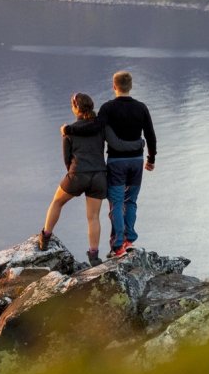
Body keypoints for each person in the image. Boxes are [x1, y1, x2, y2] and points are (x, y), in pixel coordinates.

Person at [39, 92, 143, 266]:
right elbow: (117, 144)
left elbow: (67, 159)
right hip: (99, 177)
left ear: (75, 108)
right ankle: (94, 257)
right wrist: (139, 144)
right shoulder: (100, 127)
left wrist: (75, 177)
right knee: (93, 217)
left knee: (57, 202)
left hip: (77, 175)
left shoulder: (68, 130)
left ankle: (45, 238)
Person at [61, 71, 157, 257]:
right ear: (131, 86)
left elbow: (95, 127)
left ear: (114, 87)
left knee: (116, 203)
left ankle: (118, 245)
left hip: (117, 162)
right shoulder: (142, 108)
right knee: (131, 201)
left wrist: (68, 129)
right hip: (137, 162)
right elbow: (150, 135)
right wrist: (151, 159)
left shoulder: (108, 108)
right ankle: (129, 240)